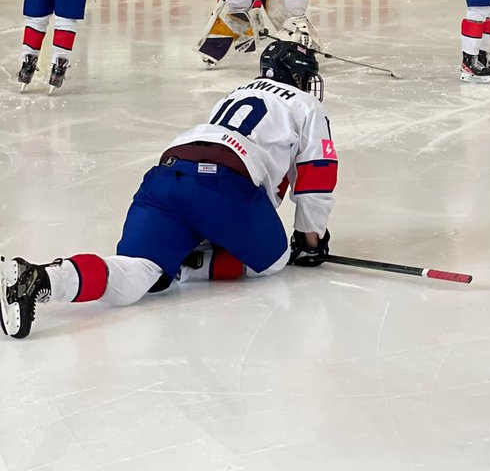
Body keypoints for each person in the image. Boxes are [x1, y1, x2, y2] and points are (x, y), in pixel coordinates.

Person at [0, 40, 336, 340]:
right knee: (275, 259)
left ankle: (41, 278)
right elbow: (316, 178)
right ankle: (190, 266)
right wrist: (310, 242)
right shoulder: (306, 105)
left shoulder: (236, 93)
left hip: (165, 176)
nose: (308, 84)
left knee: (138, 272)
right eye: (305, 76)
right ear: (292, 76)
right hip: (223, 186)